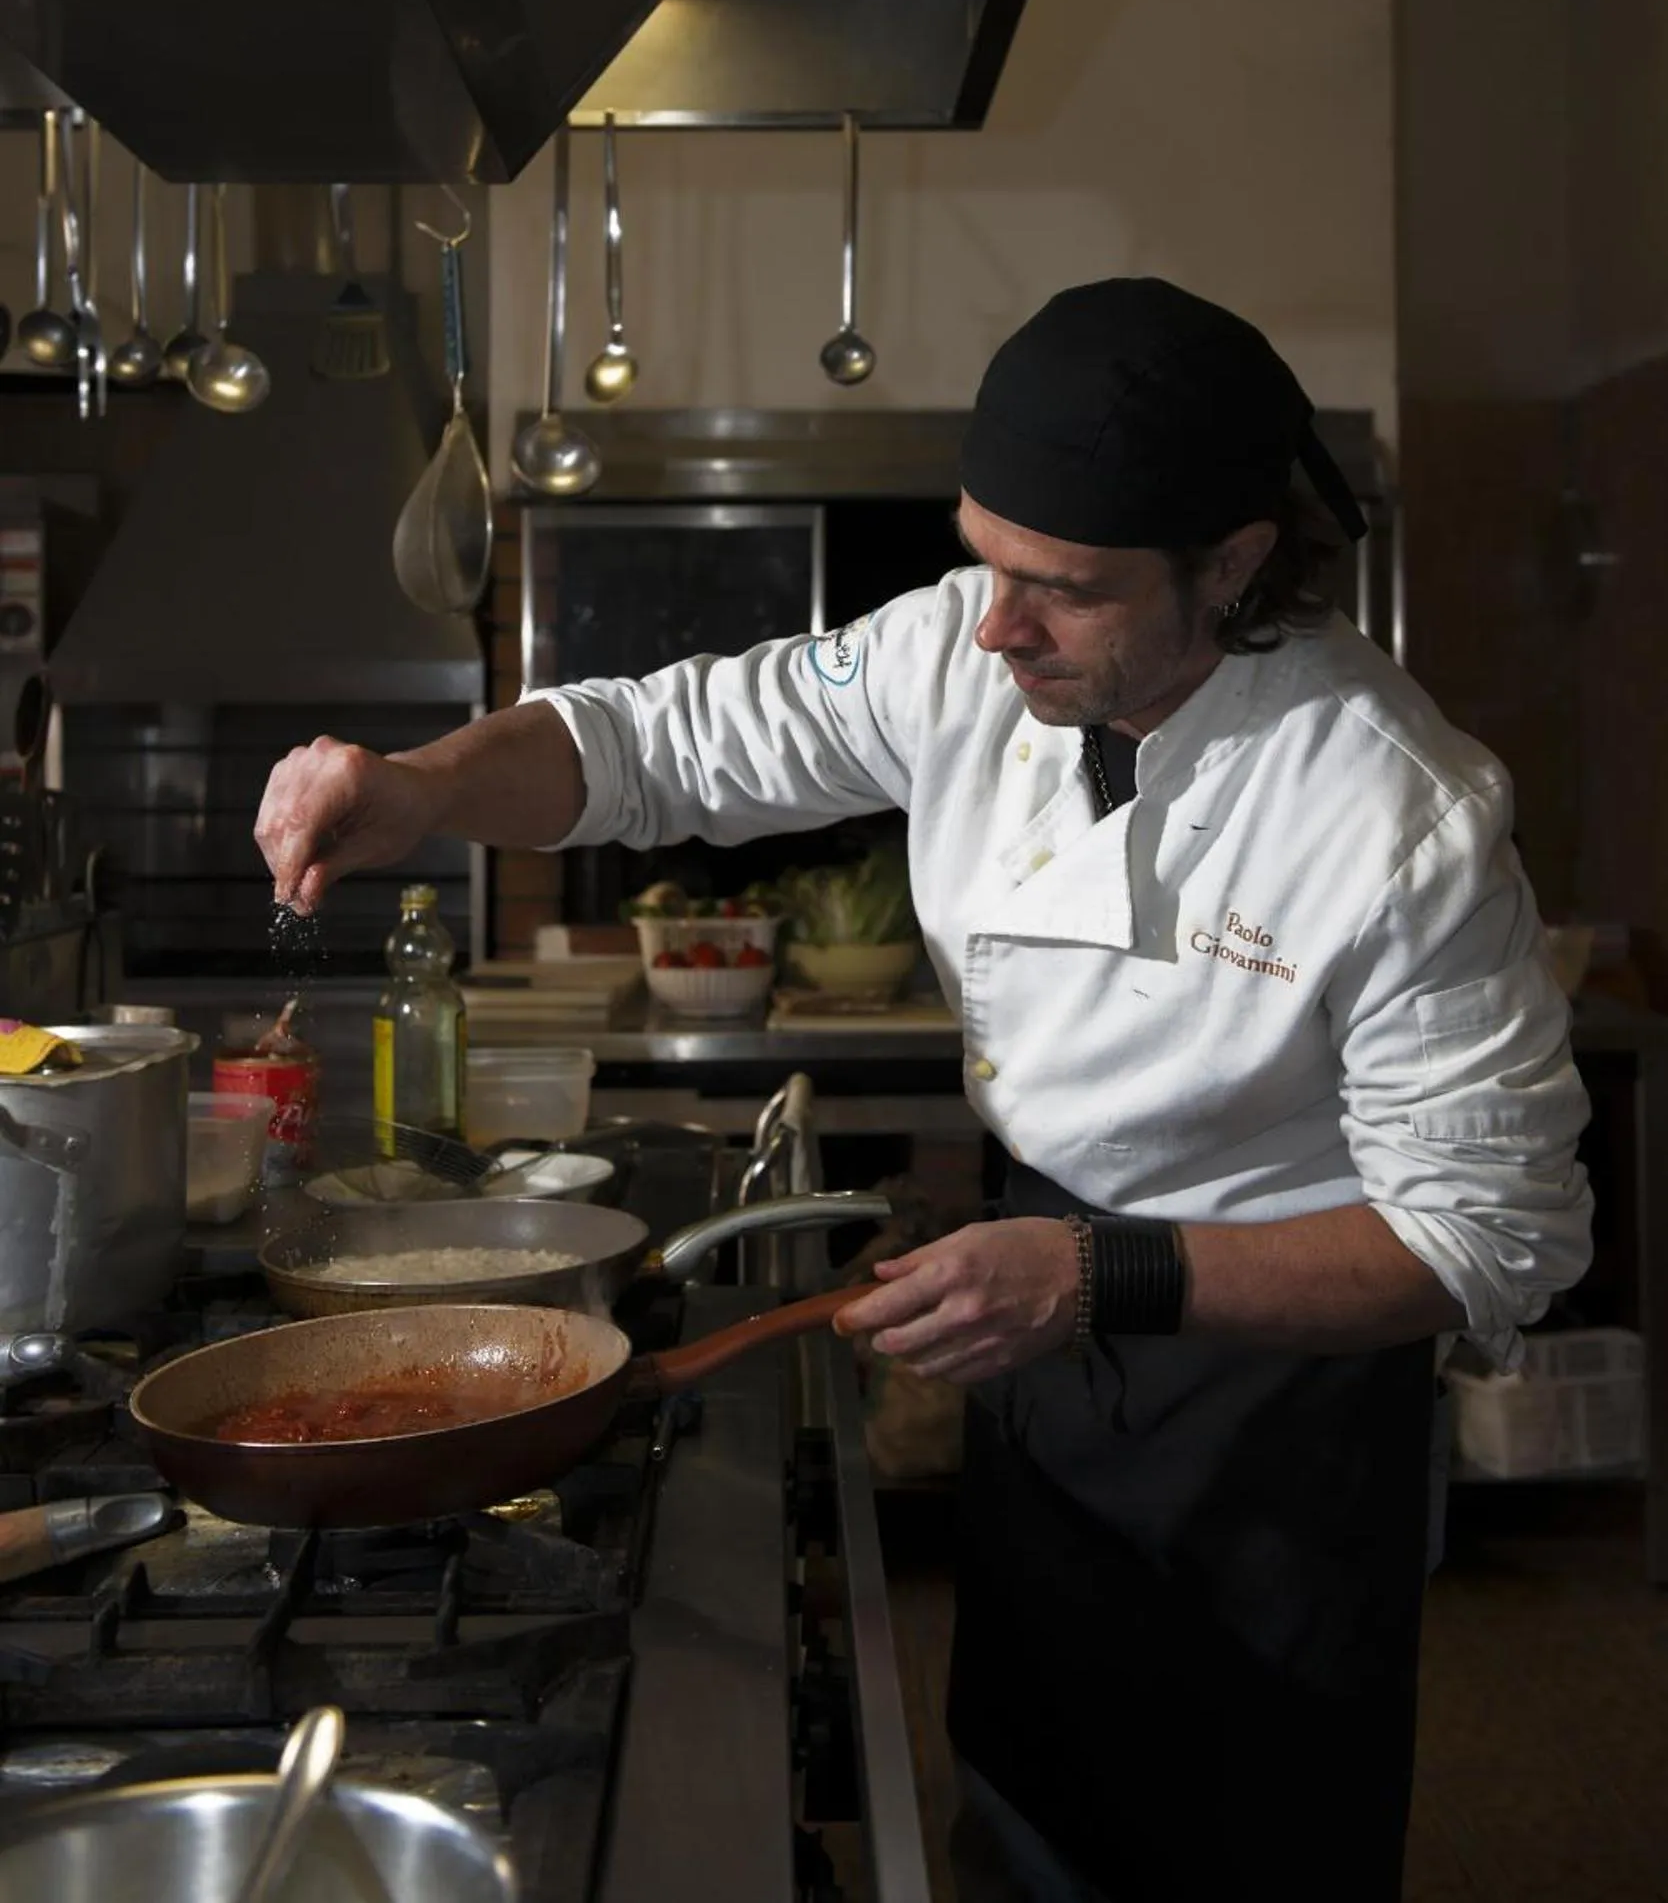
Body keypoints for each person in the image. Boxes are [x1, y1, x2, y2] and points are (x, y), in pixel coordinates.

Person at [256, 278, 1591, 1903]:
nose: (994, 627)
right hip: (1048, 1310)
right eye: (984, 558)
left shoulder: (1397, 813)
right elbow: (654, 746)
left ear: (1234, 565)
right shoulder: (961, 659)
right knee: (1029, 1794)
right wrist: (418, 787)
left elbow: (1488, 1241)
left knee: (1251, 1832)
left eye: (1063, 591)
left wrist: (1105, 1274)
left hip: (1273, 1387)